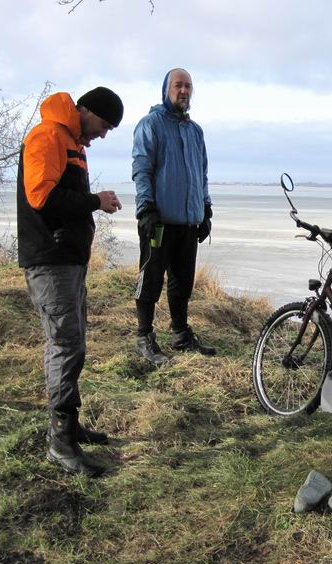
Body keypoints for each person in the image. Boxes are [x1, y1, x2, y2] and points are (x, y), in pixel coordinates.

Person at [17, 87, 124, 477]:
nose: (103, 134)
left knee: (74, 342)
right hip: (50, 259)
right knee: (64, 343)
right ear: (85, 110)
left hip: (68, 260)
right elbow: (42, 197)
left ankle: (70, 425)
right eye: (104, 125)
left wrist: (94, 204)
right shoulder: (47, 136)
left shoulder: (71, 142)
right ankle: (60, 442)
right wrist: (95, 201)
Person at [131, 67, 216, 366]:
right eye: (178, 85)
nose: (184, 91)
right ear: (166, 89)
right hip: (159, 221)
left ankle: (181, 333)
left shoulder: (196, 131)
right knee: (151, 279)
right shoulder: (150, 124)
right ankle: (144, 337)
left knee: (183, 283)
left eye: (189, 86)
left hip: (188, 222)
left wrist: (205, 208)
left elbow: (201, 173)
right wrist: (146, 208)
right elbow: (142, 169)